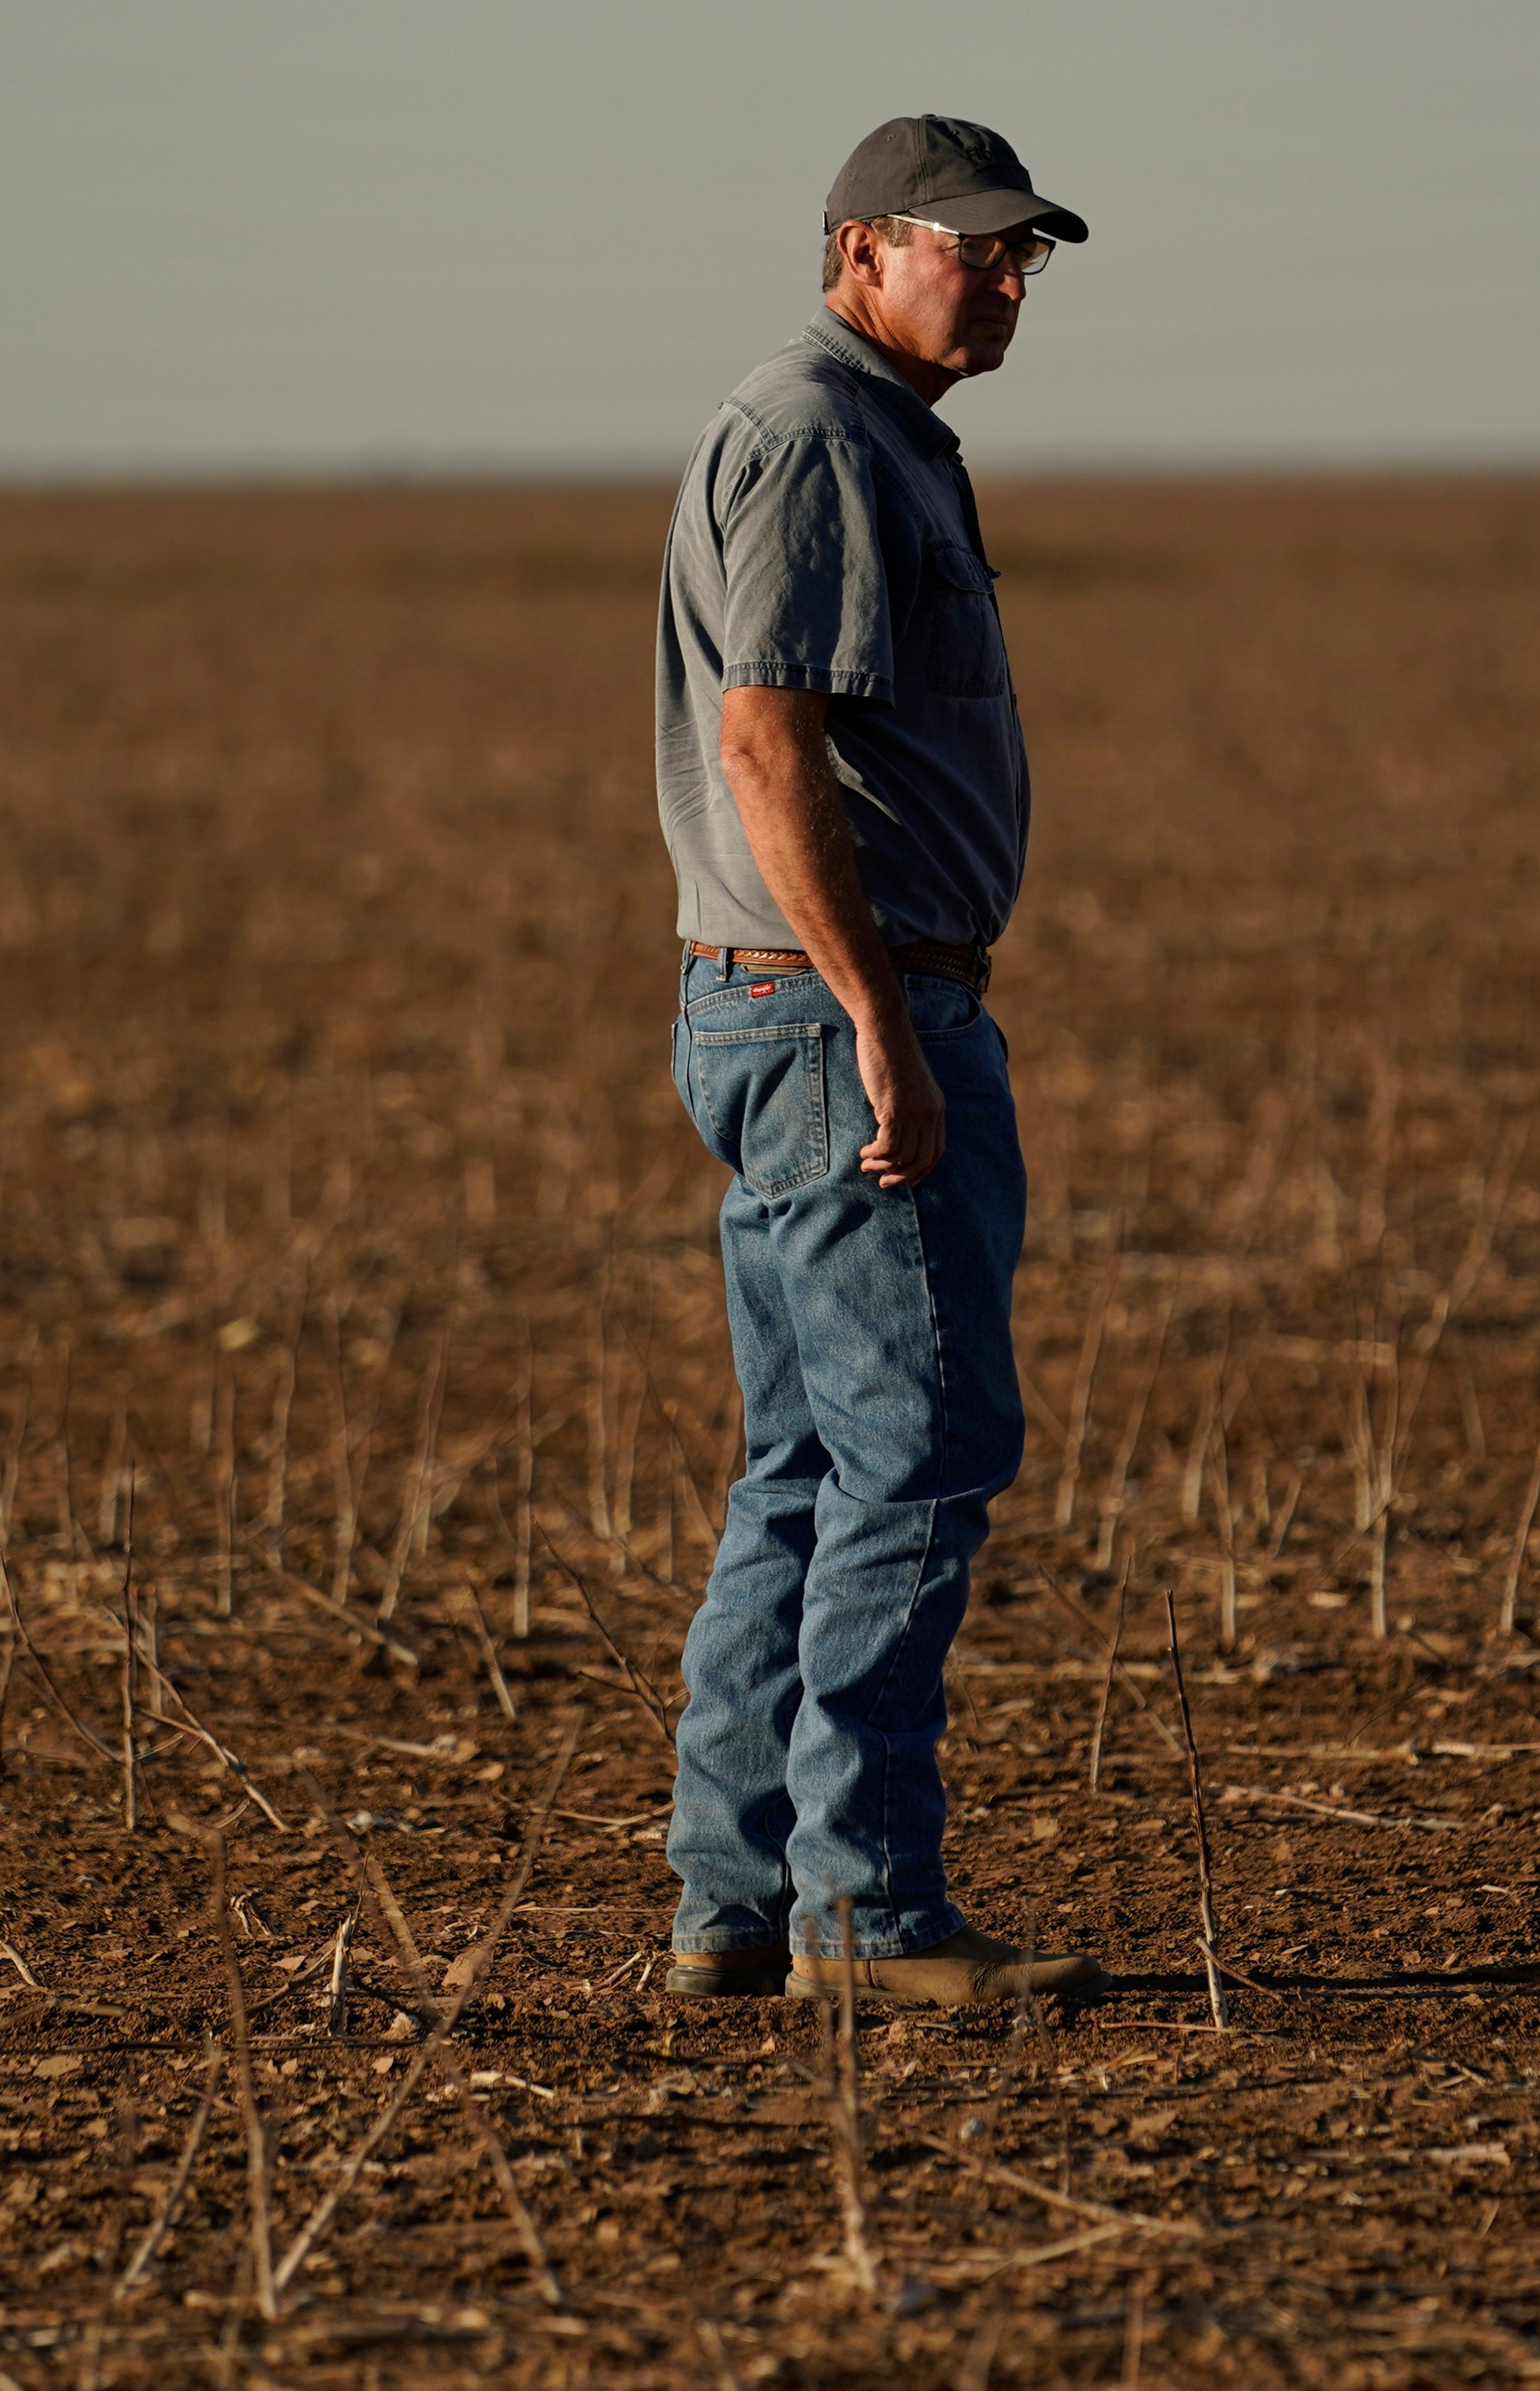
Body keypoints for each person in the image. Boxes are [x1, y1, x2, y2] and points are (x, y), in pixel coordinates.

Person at [649, 115, 1106, 2011]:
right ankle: (863, 1908)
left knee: (810, 1468)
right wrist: (871, 1021)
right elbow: (766, 740)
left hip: (809, 1004)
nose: (1004, 285)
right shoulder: (822, 433)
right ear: (860, 254)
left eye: (1024, 259)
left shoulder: (879, 434)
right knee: (912, 1461)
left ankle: (735, 1907)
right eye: (970, 251)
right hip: (843, 1013)